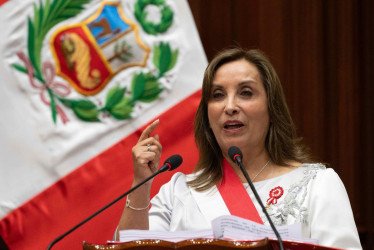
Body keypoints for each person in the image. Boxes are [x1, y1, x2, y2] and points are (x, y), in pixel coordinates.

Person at [116, 47, 362, 249]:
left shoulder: (318, 185)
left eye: (246, 93)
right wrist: (141, 184)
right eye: (218, 95)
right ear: (207, 116)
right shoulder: (178, 192)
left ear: (272, 108)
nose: (230, 106)